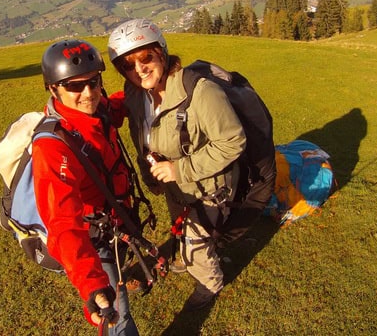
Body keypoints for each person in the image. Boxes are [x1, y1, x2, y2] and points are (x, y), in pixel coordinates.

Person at [107, 19, 275, 312]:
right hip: (174, 183)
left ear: (162, 53)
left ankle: (210, 282)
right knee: (184, 230)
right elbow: (140, 135)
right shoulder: (135, 93)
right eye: (127, 64)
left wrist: (178, 170)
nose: (139, 69)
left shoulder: (200, 91)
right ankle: (189, 255)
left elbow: (232, 142)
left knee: (196, 242)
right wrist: (151, 175)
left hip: (209, 185)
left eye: (145, 57)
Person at [32, 39, 139, 335]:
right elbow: (63, 223)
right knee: (118, 315)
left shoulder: (98, 109)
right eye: (74, 86)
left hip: (117, 218)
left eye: (93, 82)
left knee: (118, 273)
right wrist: (92, 284)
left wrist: (146, 86)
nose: (88, 93)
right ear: (53, 88)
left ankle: (121, 273)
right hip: (94, 237)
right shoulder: (53, 148)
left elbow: (115, 107)